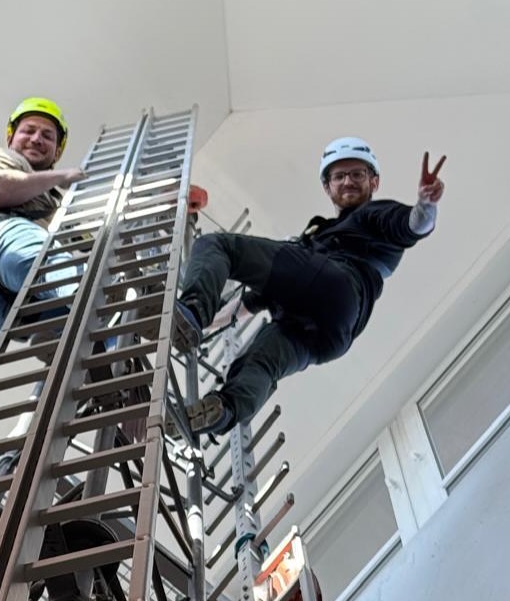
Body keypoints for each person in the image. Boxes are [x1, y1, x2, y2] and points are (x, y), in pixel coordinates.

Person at [175, 138, 446, 434]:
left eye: (357, 174)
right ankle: (224, 411)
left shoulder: (374, 215)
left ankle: (192, 312)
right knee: (260, 361)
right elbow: (250, 304)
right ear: (327, 187)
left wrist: (426, 204)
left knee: (217, 246)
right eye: (339, 176)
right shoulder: (319, 236)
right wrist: (204, 325)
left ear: (374, 182)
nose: (348, 182)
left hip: (337, 286)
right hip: (328, 335)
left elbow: (411, 226)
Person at [0, 97, 84, 335]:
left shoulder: (60, 202)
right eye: (28, 131)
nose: (36, 139)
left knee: (82, 330)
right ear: (10, 138)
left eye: (47, 136)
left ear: (57, 151)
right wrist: (61, 177)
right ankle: (84, 294)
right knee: (59, 263)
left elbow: (88, 239)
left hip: (11, 314)